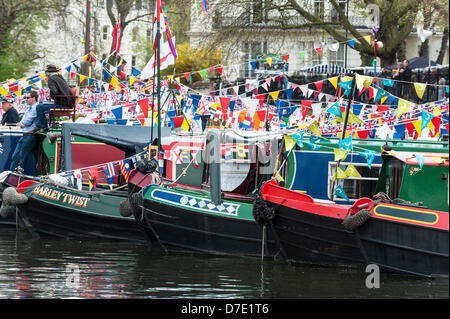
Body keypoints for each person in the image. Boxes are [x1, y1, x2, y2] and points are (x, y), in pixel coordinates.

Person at [34, 64, 74, 132]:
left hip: (62, 105)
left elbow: (55, 92)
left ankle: (43, 127)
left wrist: (51, 96)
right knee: (41, 103)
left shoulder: (51, 79)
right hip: (68, 103)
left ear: (48, 74)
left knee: (39, 107)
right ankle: (39, 125)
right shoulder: (60, 77)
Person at [9, 91, 39, 172]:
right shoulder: (29, 108)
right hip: (25, 134)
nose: (26, 99)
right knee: (15, 156)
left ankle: (17, 177)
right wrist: (23, 124)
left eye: (28, 98)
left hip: (30, 135)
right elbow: (23, 122)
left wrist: (23, 124)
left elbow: (27, 122)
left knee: (22, 158)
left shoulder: (36, 108)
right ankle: (11, 176)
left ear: (33, 98)